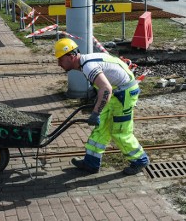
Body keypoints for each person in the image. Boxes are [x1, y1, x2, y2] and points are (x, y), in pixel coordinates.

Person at [54, 38, 149, 175]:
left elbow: (106, 89)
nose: (59, 64)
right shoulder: (85, 61)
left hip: (124, 95)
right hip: (116, 91)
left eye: (61, 59)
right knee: (101, 127)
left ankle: (140, 160)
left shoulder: (88, 66)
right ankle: (91, 163)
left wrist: (96, 113)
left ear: (71, 56)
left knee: (120, 132)